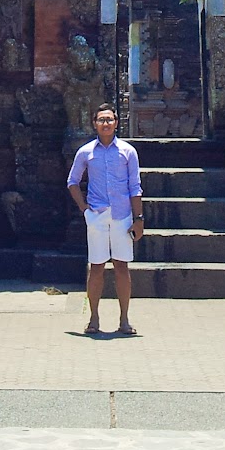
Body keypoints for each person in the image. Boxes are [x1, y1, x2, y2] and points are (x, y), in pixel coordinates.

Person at [66, 103, 143, 336]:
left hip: (122, 216)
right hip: (97, 216)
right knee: (97, 267)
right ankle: (94, 317)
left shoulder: (128, 152)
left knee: (121, 266)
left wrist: (138, 218)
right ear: (95, 124)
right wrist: (85, 210)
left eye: (109, 119)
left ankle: (124, 319)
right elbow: (72, 182)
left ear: (116, 123)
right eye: (101, 120)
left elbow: (135, 186)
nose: (106, 123)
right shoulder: (86, 152)